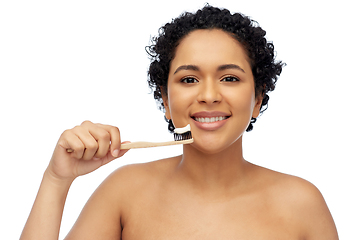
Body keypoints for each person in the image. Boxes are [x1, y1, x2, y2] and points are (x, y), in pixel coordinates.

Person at [20, 5, 338, 240]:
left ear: (257, 100)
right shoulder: (125, 191)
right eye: (189, 79)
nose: (209, 95)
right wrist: (56, 180)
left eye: (229, 78)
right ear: (166, 101)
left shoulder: (302, 203)